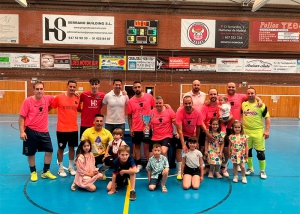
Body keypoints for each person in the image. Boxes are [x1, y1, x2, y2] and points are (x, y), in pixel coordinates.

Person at [19, 81, 57, 181]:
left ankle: (46, 172)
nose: (39, 91)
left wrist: (74, 94)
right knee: (31, 153)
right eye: (37, 89)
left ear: (44, 90)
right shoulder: (27, 101)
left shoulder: (47, 98)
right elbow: (22, 117)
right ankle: (33, 172)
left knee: (49, 151)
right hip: (31, 130)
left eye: (41, 89)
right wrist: (22, 131)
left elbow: (60, 97)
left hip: (44, 131)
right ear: (34, 90)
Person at [224, 82, 262, 173]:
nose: (231, 88)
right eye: (229, 87)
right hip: (226, 126)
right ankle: (224, 164)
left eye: (233, 87)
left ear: (235, 88)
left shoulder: (241, 96)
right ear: (227, 87)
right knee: (226, 147)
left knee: (240, 146)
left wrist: (259, 100)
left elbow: (252, 96)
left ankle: (240, 163)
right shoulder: (223, 97)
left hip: (238, 127)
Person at [175, 95, 211, 180]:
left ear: (192, 103)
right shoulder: (179, 112)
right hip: (183, 133)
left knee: (197, 149)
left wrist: (197, 141)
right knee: (179, 149)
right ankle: (180, 170)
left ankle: (197, 167)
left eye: (189, 103)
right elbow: (179, 131)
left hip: (193, 134)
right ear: (183, 104)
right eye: (185, 103)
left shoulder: (197, 112)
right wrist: (183, 144)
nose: (187, 105)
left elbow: (198, 128)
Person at [51, 79, 80, 177]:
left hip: (74, 128)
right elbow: (51, 106)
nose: (72, 88)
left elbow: (79, 108)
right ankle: (60, 168)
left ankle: (71, 167)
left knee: (72, 148)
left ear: (75, 88)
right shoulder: (59, 97)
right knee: (61, 148)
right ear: (67, 86)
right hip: (62, 129)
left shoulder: (77, 98)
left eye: (74, 87)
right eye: (70, 86)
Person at [242, 87, 270, 179]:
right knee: (248, 151)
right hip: (246, 132)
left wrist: (267, 131)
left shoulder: (261, 105)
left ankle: (262, 170)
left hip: (258, 132)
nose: (250, 95)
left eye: (252, 93)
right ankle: (250, 168)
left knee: (260, 153)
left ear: (255, 94)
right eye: (248, 93)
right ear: (246, 95)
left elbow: (267, 118)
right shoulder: (243, 104)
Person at [127, 81, 155, 173]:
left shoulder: (149, 97)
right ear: (133, 89)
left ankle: (148, 164)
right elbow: (129, 116)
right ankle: (139, 163)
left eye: (139, 87)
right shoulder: (131, 101)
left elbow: (155, 108)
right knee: (137, 146)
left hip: (146, 127)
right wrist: (131, 128)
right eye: (135, 87)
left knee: (147, 145)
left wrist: (150, 124)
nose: (137, 89)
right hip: (136, 128)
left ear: (141, 87)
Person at [200, 88, 228, 176]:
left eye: (214, 94)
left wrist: (225, 120)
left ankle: (223, 167)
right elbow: (201, 121)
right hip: (208, 131)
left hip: (220, 131)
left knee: (225, 149)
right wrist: (207, 133)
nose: (213, 96)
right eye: (211, 94)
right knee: (203, 148)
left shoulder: (222, 104)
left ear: (217, 95)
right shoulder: (205, 106)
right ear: (209, 95)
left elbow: (230, 114)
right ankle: (208, 166)